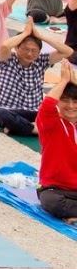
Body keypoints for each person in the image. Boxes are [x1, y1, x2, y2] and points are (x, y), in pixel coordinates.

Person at [0, 20, 74, 136]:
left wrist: (41, 36)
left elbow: (68, 51)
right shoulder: (8, 60)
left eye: (34, 51)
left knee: (57, 113)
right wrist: (25, 33)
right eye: (25, 49)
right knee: (2, 114)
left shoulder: (40, 61)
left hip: (34, 111)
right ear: (16, 48)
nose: (30, 54)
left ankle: (19, 127)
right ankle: (34, 129)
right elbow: (4, 46)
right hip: (7, 109)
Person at [37, 60, 77, 224]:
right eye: (65, 100)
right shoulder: (52, 123)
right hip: (56, 190)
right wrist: (63, 81)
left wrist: (73, 82)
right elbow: (47, 106)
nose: (70, 106)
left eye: (75, 101)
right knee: (51, 203)